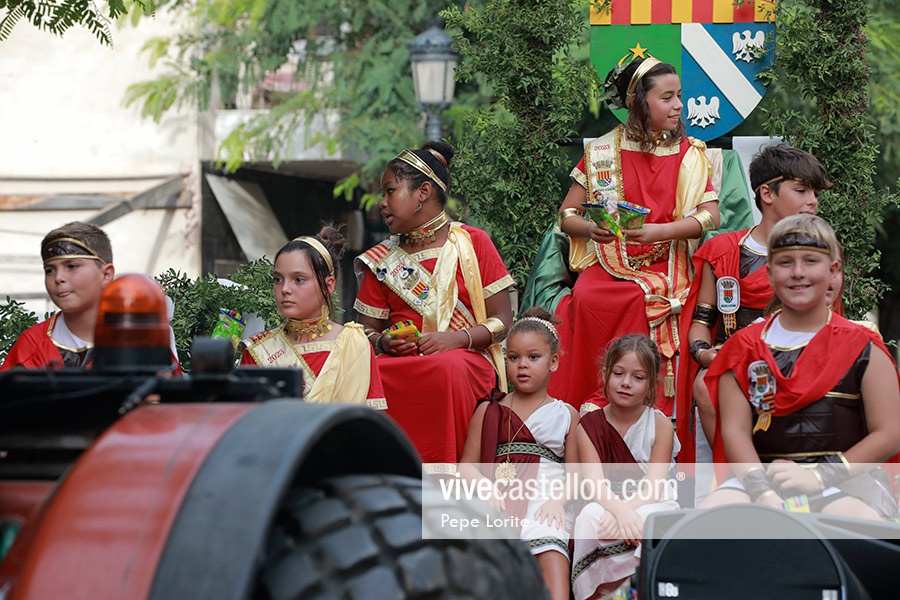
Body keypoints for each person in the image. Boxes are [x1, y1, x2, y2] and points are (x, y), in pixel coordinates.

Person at [550, 57, 720, 416]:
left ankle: (650, 407)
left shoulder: (689, 152)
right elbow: (567, 215)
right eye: (667, 98)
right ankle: (594, 401)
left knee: (637, 296)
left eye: (679, 96)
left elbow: (710, 216)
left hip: (667, 262)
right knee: (586, 295)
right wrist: (590, 229)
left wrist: (662, 231)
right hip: (612, 262)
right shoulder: (601, 151)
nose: (679, 106)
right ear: (637, 102)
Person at [702, 214, 900, 520]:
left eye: (810, 261)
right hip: (760, 480)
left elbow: (889, 432)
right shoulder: (742, 349)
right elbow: (735, 431)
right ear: (770, 273)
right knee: (707, 524)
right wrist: (763, 493)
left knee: (854, 526)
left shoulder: (864, 347)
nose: (797, 273)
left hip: (848, 482)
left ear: (833, 271)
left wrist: (820, 476)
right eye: (785, 262)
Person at [354, 141, 515, 463]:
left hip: (465, 356)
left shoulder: (472, 242)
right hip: (401, 362)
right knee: (369, 373)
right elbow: (365, 330)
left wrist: (455, 339)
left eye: (390, 191)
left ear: (423, 192)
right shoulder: (382, 260)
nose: (382, 203)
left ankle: (452, 472)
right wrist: (384, 342)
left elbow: (502, 322)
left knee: (447, 368)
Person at [676, 144, 832, 465]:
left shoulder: (821, 254)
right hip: (731, 361)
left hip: (798, 359)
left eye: (815, 193)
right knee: (706, 384)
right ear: (767, 193)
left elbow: (827, 326)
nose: (812, 201)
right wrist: (705, 354)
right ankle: (734, 475)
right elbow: (702, 321)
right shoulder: (722, 250)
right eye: (802, 190)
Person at [460, 307, 580, 600]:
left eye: (533, 357)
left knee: (551, 555)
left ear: (553, 362)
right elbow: (466, 467)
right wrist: (484, 487)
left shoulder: (566, 414)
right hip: (498, 500)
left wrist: (558, 500)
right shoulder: (488, 410)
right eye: (514, 357)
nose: (522, 365)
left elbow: (577, 475)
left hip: (546, 502)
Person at [571, 334, 680, 600]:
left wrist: (627, 512)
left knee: (650, 520)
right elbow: (595, 484)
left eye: (638, 377)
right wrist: (618, 511)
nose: (626, 383)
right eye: (618, 373)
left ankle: (640, 590)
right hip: (607, 500)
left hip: (650, 501)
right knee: (588, 517)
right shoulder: (588, 425)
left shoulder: (660, 425)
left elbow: (653, 490)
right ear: (606, 374)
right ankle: (596, 594)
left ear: (652, 383)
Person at [241, 226, 386, 409]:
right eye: (278, 279)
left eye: (299, 279)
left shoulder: (353, 344)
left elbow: (368, 420)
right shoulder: (258, 351)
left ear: (328, 286)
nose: (285, 289)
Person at [2, 221, 116, 370]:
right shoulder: (31, 346)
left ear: (106, 275)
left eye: (72, 266)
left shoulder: (137, 339)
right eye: (50, 270)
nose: (58, 277)